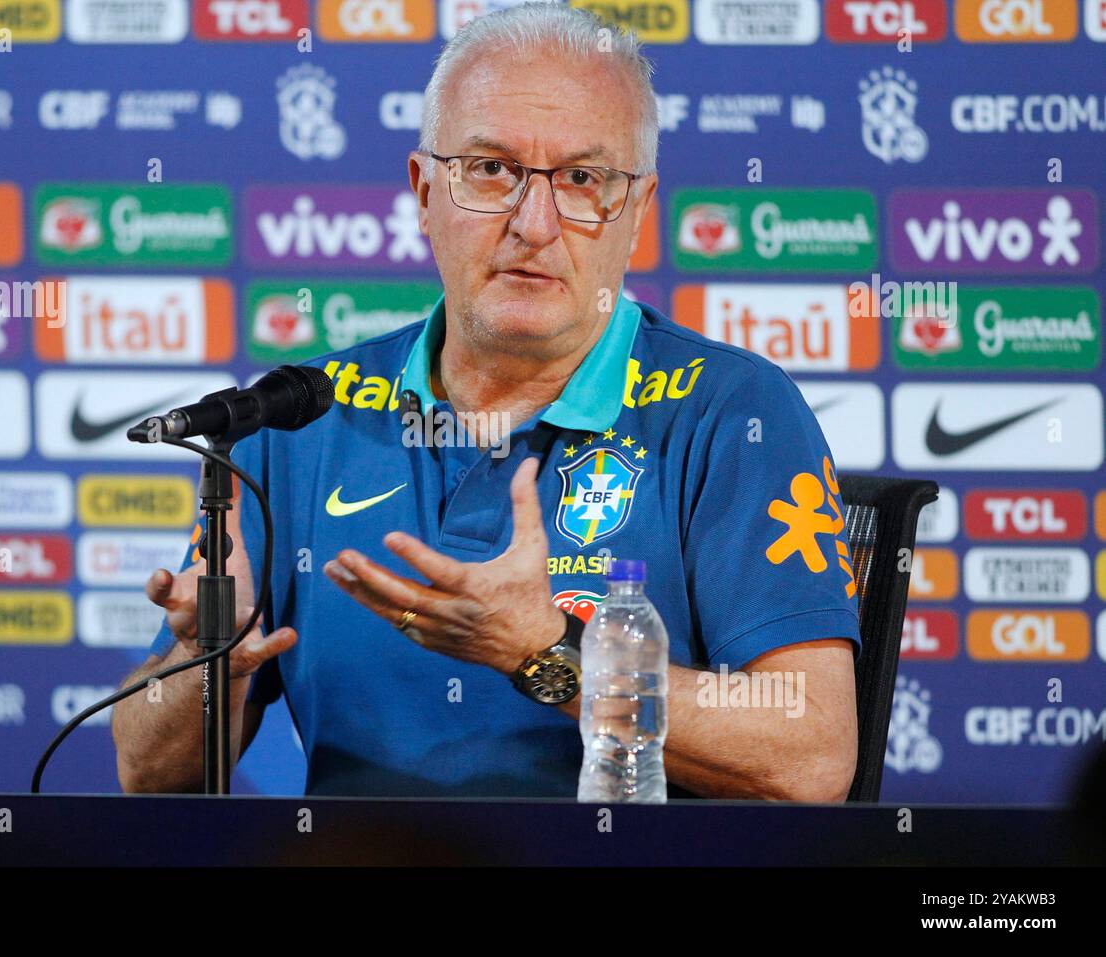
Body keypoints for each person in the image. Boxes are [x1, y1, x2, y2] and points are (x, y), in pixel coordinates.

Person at [112, 5, 860, 800]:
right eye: (491, 170)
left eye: (583, 179)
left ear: (637, 212)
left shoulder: (732, 412)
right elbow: (149, 773)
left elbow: (808, 753)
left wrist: (544, 654)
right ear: (424, 191)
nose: (533, 224)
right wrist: (207, 664)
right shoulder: (299, 417)